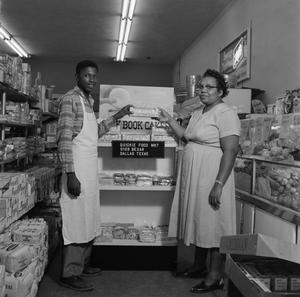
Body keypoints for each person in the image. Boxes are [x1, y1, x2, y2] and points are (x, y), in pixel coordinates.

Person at [157, 69, 240, 293]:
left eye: (209, 87)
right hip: (196, 174)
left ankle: (215, 276)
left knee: (213, 224)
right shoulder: (200, 112)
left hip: (212, 174)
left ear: (221, 91)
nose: (203, 90)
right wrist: (169, 120)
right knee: (199, 220)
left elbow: (231, 151)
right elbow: (187, 135)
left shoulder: (225, 113)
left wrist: (219, 184)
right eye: (201, 86)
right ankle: (198, 266)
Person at [57, 60, 132, 292]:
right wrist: (70, 173)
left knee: (88, 216)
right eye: (87, 76)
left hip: (88, 169)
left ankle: (82, 264)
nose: (92, 80)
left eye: (94, 76)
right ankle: (69, 274)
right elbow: (65, 138)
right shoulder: (70, 99)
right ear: (77, 76)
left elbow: (95, 131)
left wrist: (117, 116)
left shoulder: (88, 101)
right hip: (76, 168)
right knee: (75, 218)